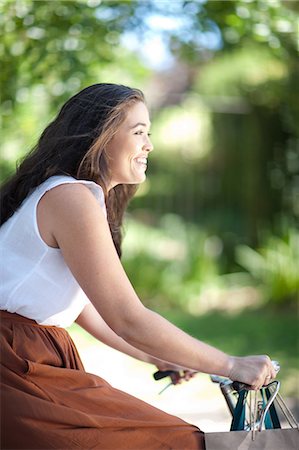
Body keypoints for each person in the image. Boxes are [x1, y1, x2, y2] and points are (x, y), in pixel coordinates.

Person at [0, 83, 277, 449]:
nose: (149, 145)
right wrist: (231, 365)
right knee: (177, 442)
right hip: (15, 363)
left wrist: (158, 356)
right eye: (139, 132)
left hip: (28, 359)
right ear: (100, 136)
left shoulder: (76, 197)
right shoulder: (70, 198)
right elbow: (127, 317)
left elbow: (84, 310)